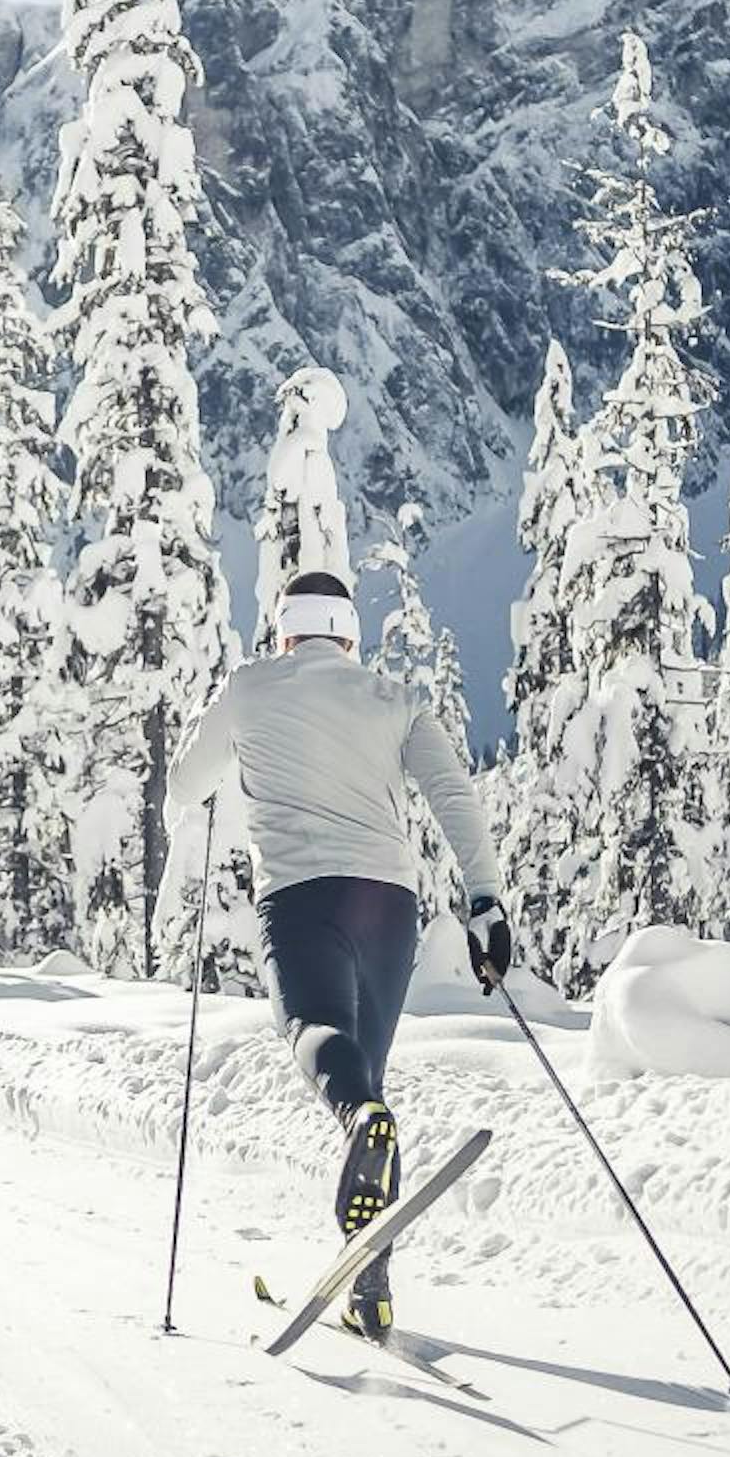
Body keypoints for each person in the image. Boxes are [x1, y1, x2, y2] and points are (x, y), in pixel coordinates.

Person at [169, 568, 513, 1340]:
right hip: (389, 909)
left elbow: (187, 783)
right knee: (370, 1081)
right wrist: (486, 898)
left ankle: (361, 1123)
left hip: (299, 899)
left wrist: (218, 723)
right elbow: (453, 793)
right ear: (348, 633)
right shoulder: (393, 700)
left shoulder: (251, 686)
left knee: (315, 1037)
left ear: (284, 628)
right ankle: (371, 1291)